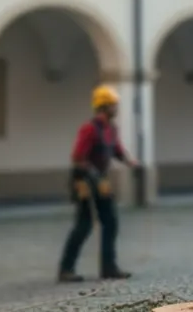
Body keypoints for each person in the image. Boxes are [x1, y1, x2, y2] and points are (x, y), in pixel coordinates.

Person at [58, 84, 138, 283]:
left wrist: (130, 161)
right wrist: (92, 175)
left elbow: (117, 151)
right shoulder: (89, 129)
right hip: (83, 179)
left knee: (110, 221)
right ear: (104, 106)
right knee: (84, 224)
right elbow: (78, 157)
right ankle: (66, 269)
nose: (116, 109)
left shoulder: (111, 129)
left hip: (99, 179)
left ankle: (109, 267)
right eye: (113, 105)